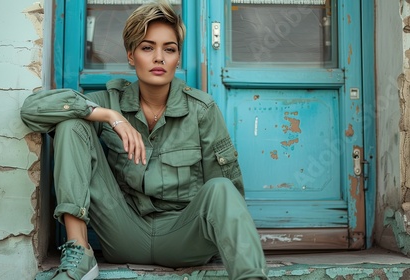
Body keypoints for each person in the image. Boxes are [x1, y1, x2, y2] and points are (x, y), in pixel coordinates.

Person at [21, 1, 268, 279]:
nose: (159, 58)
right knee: (72, 123)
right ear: (131, 55)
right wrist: (110, 116)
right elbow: (32, 111)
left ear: (177, 57)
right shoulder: (110, 101)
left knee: (221, 188)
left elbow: (229, 197)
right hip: (123, 232)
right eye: (147, 47)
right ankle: (79, 252)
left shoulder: (202, 110)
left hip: (183, 238)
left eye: (169, 49)